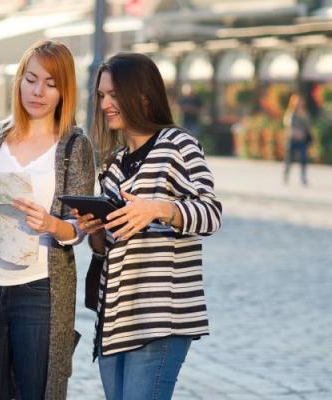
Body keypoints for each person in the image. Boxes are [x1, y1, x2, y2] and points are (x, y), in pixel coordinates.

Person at [0, 40, 95, 400]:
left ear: (64, 91)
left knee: (37, 391)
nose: (38, 91)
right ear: (19, 82)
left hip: (40, 290)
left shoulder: (75, 147)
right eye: (31, 79)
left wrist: (50, 224)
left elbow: (80, 228)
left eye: (51, 83)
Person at [74, 53, 222, 400]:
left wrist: (157, 209)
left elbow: (211, 213)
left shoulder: (177, 145)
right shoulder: (113, 164)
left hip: (159, 320)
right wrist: (94, 229)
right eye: (101, 96)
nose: (106, 104)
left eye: (114, 95)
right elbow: (107, 247)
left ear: (142, 95)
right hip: (113, 322)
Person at [283, 93, 311, 186]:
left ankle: (303, 177)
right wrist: (296, 133)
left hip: (302, 140)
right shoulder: (290, 113)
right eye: (297, 101)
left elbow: (307, 126)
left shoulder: (304, 113)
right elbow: (289, 126)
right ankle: (286, 174)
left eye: (300, 101)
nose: (299, 103)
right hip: (292, 139)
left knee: (303, 158)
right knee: (289, 159)